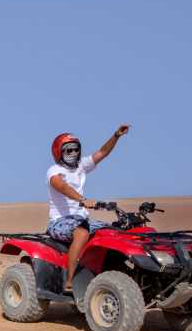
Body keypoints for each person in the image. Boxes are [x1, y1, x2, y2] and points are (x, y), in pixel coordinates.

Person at [46, 124, 130, 292]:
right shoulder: (54, 171)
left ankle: (113, 274)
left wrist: (116, 136)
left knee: (114, 231)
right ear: (59, 152)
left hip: (82, 219)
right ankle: (70, 282)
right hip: (60, 222)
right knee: (82, 233)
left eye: (76, 150)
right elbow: (62, 187)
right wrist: (81, 199)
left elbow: (102, 153)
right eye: (68, 150)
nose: (73, 154)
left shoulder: (81, 167)